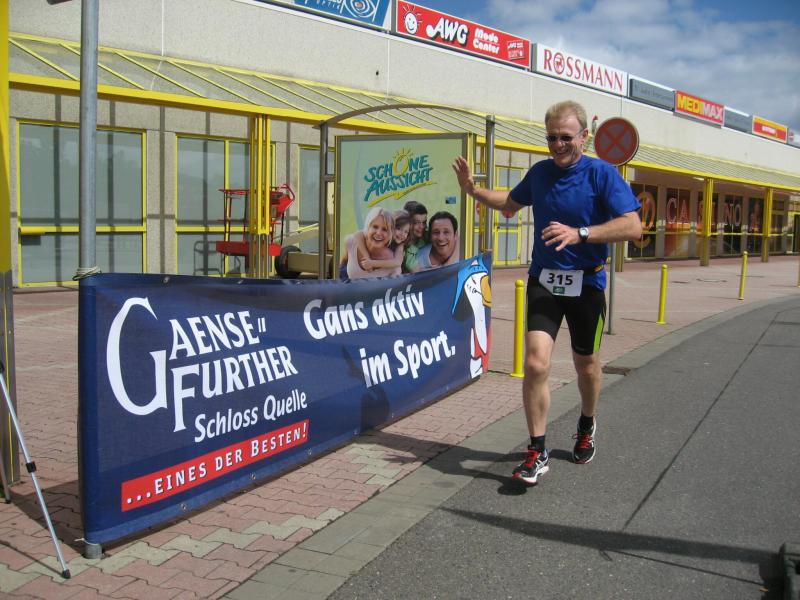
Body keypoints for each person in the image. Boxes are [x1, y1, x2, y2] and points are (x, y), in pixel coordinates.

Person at [452, 100, 642, 486]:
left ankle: (587, 422)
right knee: (536, 364)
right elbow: (510, 202)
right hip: (545, 281)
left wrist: (581, 233)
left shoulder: (602, 174)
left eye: (565, 137)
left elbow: (633, 226)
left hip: (587, 283)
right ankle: (536, 450)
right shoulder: (540, 173)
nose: (558, 145)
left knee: (586, 365)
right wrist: (472, 191)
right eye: (551, 137)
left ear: (584, 136)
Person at [343, 207, 399, 280]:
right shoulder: (351, 242)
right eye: (375, 227)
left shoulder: (393, 265)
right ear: (367, 228)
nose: (378, 233)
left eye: (384, 229)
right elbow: (342, 266)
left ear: (390, 234)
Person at [402, 201, 428, 273]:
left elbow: (455, 237)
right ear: (407, 222)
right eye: (416, 223)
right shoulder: (405, 247)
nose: (421, 227)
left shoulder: (426, 235)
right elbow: (417, 271)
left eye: (424, 222)